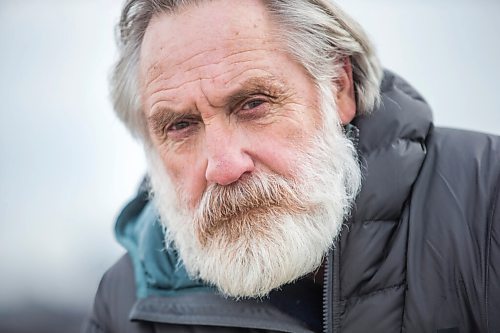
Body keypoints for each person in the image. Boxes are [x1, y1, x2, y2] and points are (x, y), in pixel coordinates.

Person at [83, 0, 500, 332]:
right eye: (181, 126)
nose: (224, 168)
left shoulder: (488, 208)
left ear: (339, 88)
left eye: (253, 104)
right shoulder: (127, 304)